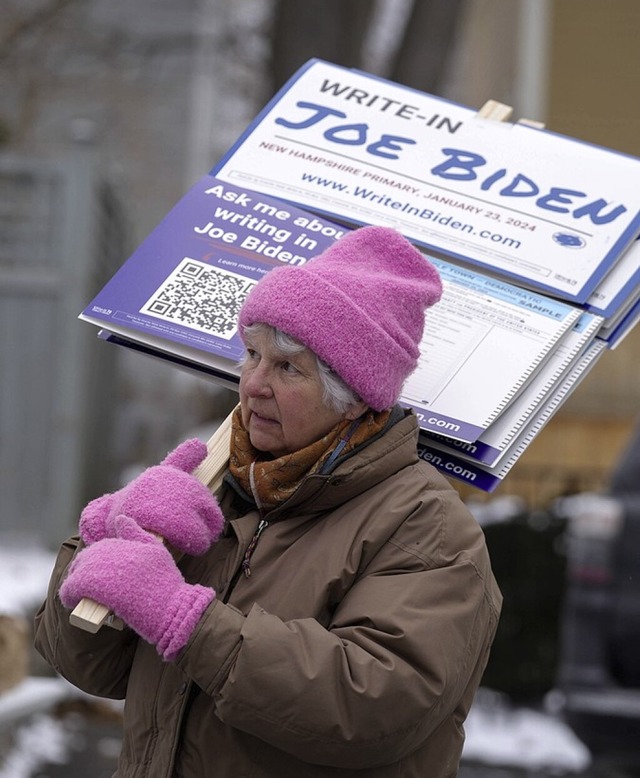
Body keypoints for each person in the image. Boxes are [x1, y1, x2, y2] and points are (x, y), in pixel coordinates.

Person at [35, 225, 502, 777]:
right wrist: (104, 541)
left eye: (286, 368)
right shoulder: (214, 480)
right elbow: (86, 667)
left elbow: (376, 707)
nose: (253, 383)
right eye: (251, 353)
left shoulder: (428, 524)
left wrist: (185, 620)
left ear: (354, 399)